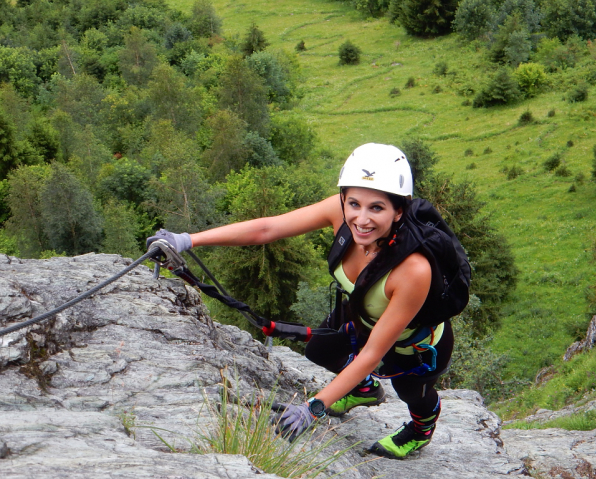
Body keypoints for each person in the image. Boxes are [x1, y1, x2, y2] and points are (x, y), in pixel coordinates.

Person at [146, 143, 454, 459]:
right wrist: (186, 240)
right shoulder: (339, 212)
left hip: (414, 345)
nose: (361, 219)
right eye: (354, 203)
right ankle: (364, 391)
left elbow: (373, 354)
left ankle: (421, 429)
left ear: (398, 210)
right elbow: (268, 228)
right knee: (319, 350)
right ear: (344, 199)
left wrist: (313, 407)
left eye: (377, 207)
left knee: (411, 393)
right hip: (361, 316)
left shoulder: (414, 270)